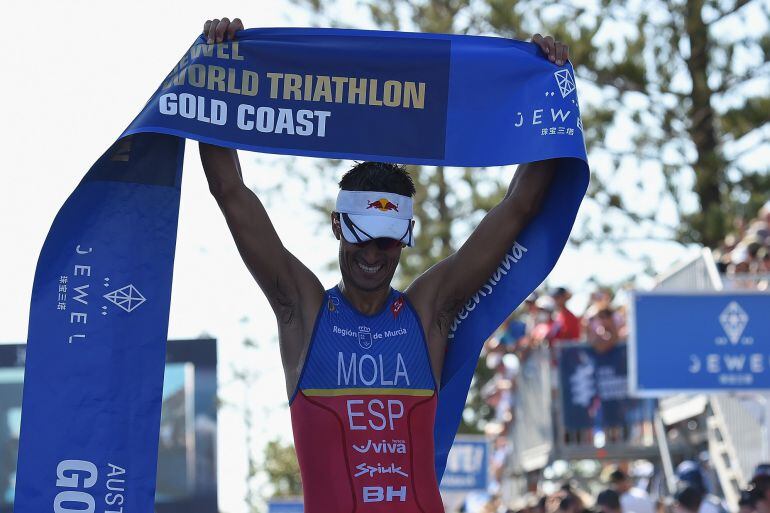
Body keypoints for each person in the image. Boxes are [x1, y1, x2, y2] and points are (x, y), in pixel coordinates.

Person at [200, 16, 570, 513]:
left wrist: (546, 86)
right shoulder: (303, 309)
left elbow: (518, 208)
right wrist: (215, 72)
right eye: (361, 241)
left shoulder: (428, 310)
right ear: (337, 227)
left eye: (387, 244)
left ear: (404, 241)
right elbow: (231, 194)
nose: (373, 256)